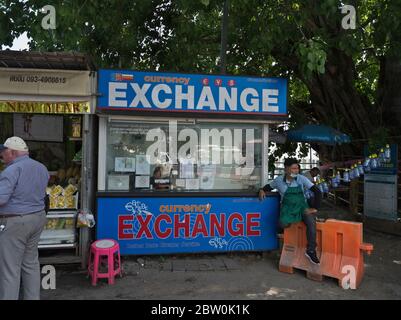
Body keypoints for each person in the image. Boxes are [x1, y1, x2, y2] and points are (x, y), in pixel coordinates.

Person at [0, 136, 49, 300]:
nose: (2, 156)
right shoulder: (41, 167)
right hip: (37, 218)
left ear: (12, 152)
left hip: (16, 222)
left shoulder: (11, 170)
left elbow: (1, 199)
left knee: (10, 269)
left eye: (4, 152)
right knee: (30, 264)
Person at [259, 158, 322, 265]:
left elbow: (317, 191)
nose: (296, 171)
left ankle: (311, 250)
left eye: (297, 168)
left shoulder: (301, 179)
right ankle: (284, 241)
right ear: (286, 169)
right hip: (287, 208)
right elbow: (267, 187)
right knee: (282, 224)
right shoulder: (278, 180)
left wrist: (315, 208)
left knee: (311, 223)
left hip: (302, 206)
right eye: (293, 168)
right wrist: (261, 190)